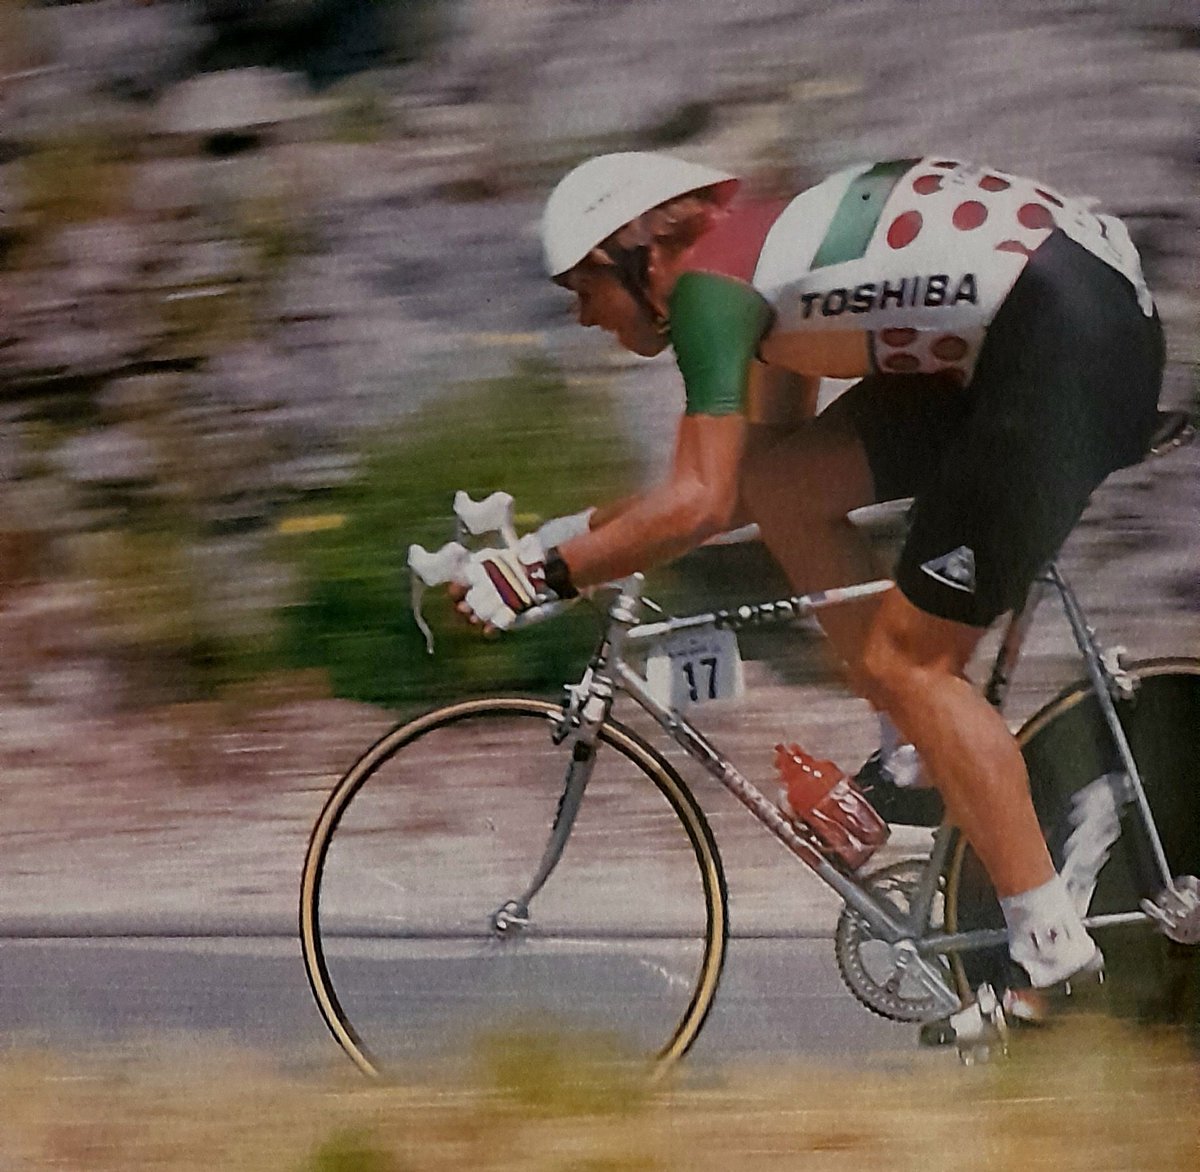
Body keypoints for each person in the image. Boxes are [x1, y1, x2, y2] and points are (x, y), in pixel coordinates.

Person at [449, 150, 1164, 1013]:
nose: (581, 315)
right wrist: (575, 540)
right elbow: (753, 480)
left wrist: (543, 573)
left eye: (581, 288)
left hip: (1062, 339)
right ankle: (915, 756)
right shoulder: (755, 265)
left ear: (631, 254)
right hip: (1055, 322)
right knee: (793, 489)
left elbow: (701, 502)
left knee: (914, 664)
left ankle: (1050, 958)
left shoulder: (712, 291)